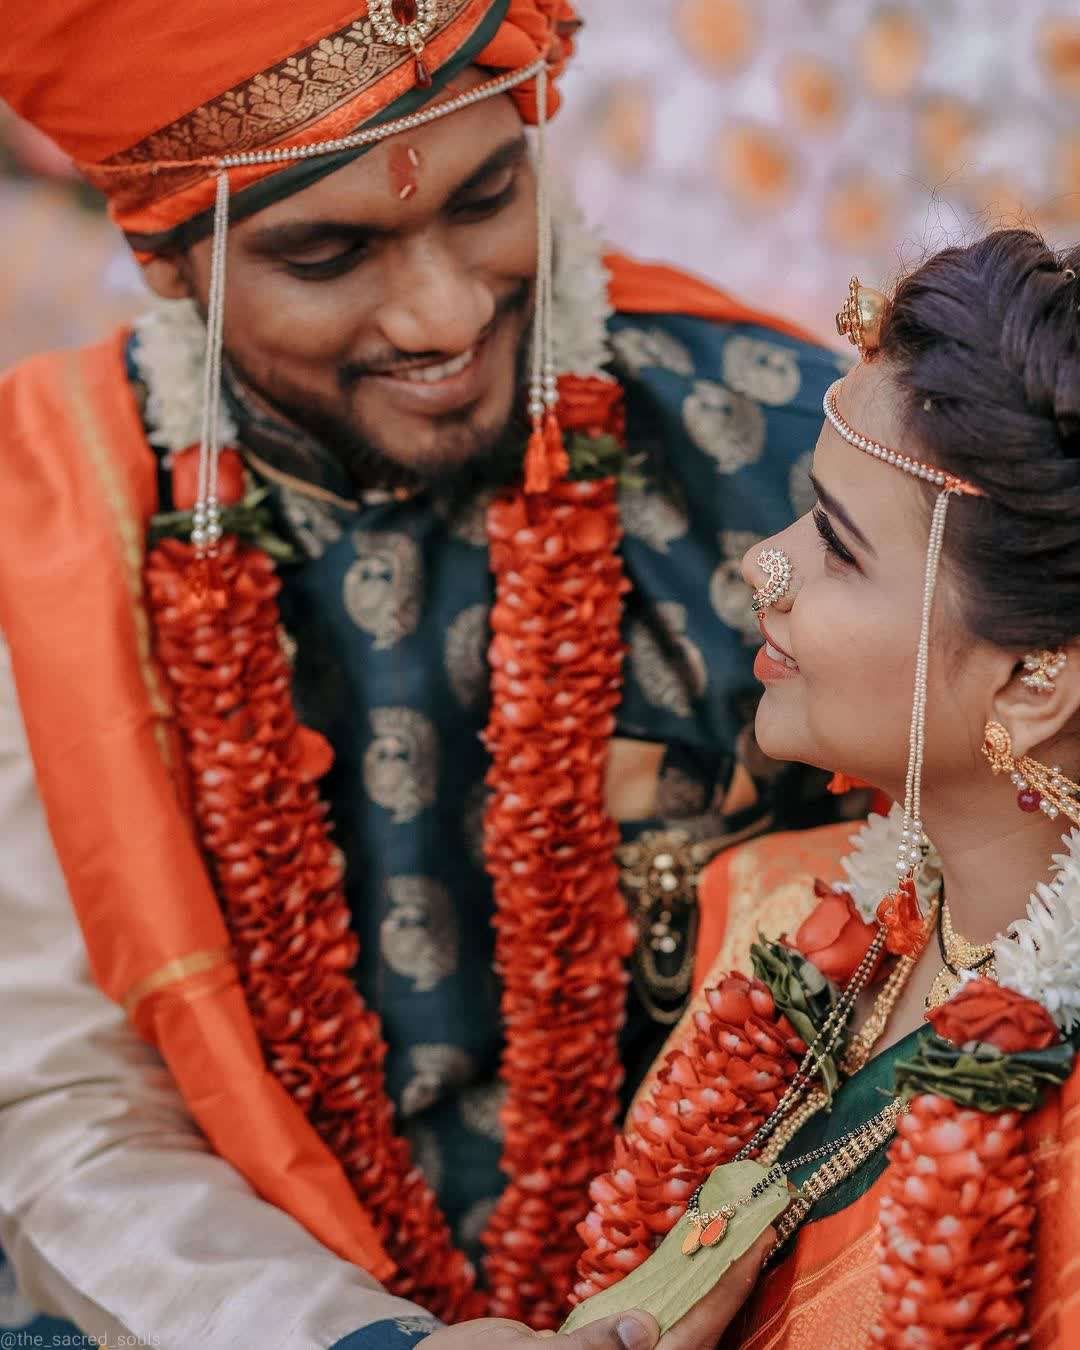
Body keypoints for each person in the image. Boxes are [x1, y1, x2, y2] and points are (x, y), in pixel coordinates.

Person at [0, 2, 846, 1347]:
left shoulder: (797, 463)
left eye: (489, 198)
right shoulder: (54, 540)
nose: (444, 309)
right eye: (327, 254)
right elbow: (65, 1106)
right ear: (168, 261)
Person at [572, 228, 1080, 1346]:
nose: (764, 561)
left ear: (1034, 681)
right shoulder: (778, 913)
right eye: (807, 509)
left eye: (840, 548)